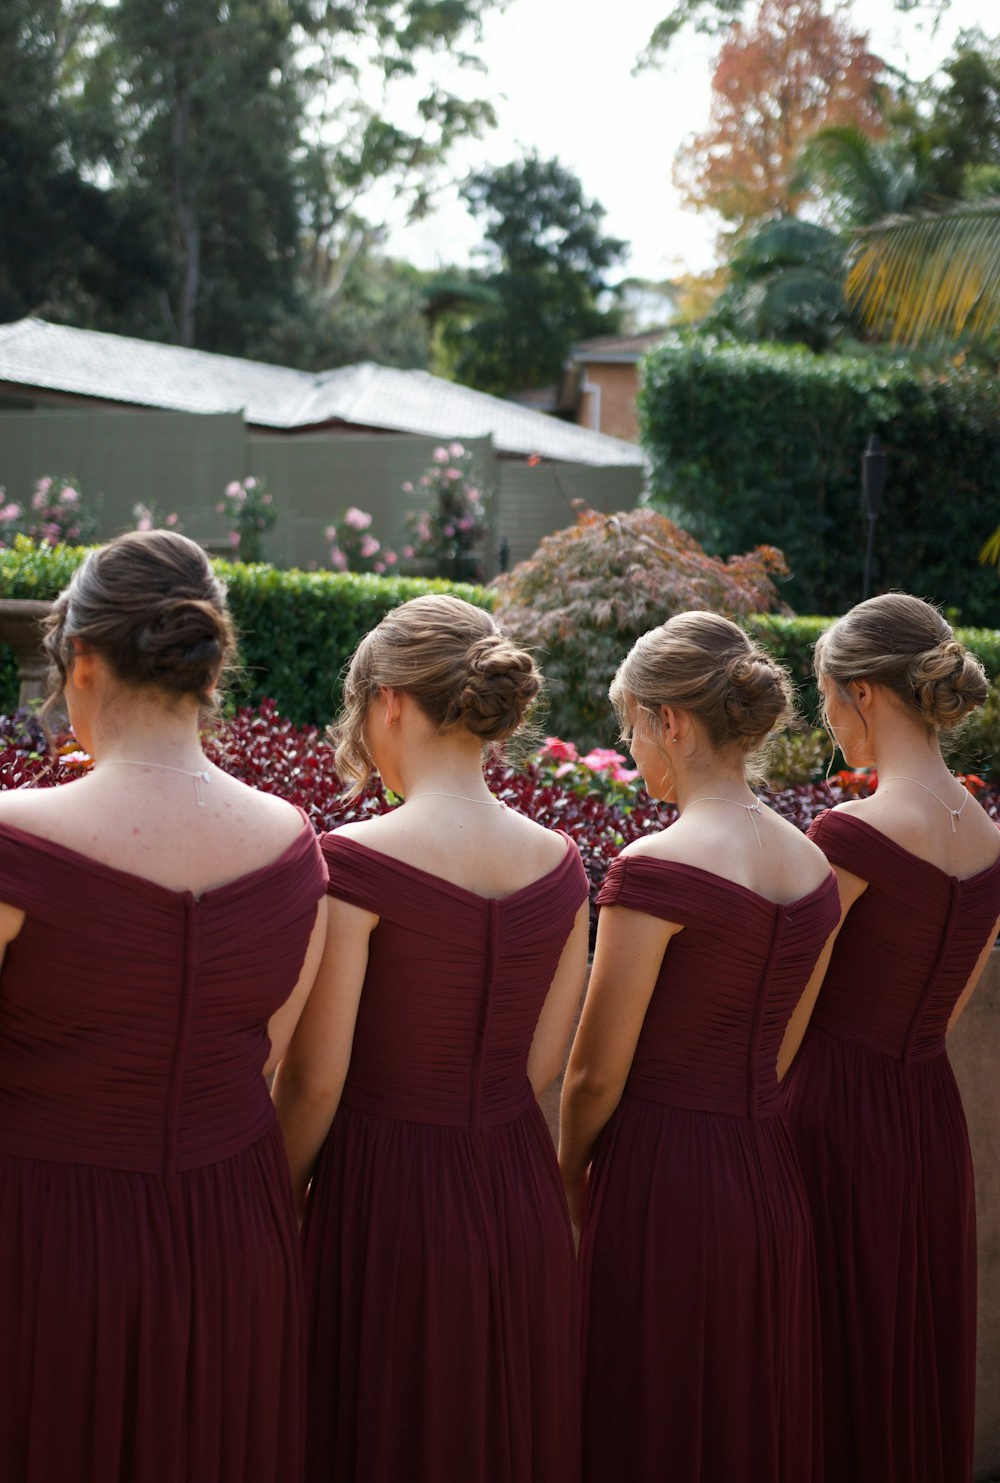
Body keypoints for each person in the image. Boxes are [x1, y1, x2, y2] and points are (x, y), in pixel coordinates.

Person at [0, 530, 328, 1483]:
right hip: (235, 1237)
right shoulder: (291, 845)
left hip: (44, 1238)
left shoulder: (16, 837)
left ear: (84, 661)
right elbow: (269, 1057)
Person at [272, 593, 590, 1483]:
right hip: (516, 1188)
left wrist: (270, 1198)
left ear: (391, 703)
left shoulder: (357, 863)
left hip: (385, 1201)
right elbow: (542, 1066)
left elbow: (314, 1086)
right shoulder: (563, 866)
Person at [559, 610, 840, 1483]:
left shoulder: (655, 869)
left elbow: (596, 1072)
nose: (631, 745)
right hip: (765, 1170)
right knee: (742, 1417)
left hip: (660, 1180)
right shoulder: (813, 868)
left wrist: (566, 1180)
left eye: (630, 725)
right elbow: (787, 1047)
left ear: (671, 722)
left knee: (649, 1417)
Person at [782, 592, 1000, 1483]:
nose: (829, 722)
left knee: (834, 1358)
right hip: (927, 1113)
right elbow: (950, 1008)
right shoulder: (987, 836)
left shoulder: (851, 833)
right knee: (909, 1349)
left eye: (829, 698)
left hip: (830, 1114)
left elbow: (783, 1008)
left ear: (865, 693)